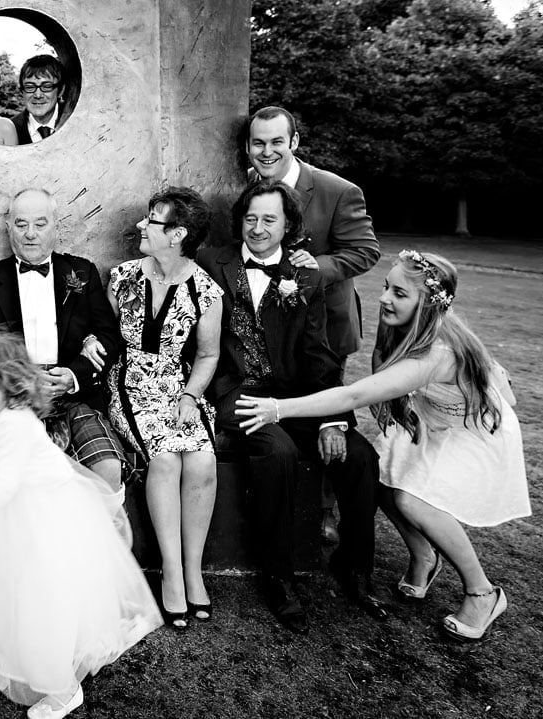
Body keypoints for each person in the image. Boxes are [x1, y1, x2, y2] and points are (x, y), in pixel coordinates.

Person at [237, 250, 530, 642]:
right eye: (387, 287)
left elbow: (353, 395)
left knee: (412, 500)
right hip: (432, 418)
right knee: (386, 479)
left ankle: (483, 593)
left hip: (474, 432)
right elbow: (382, 370)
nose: (385, 298)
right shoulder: (404, 326)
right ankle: (424, 557)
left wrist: (278, 408)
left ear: (427, 303)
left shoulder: (439, 352)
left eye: (399, 293)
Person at [0, 331, 161, 719]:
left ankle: (64, 692)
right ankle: (60, 660)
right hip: (19, 522)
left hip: (46, 522)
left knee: (44, 605)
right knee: (24, 602)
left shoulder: (15, 425)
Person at [195, 182, 384, 634]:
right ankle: (278, 575)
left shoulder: (306, 277)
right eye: (251, 218)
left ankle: (356, 567)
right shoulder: (210, 262)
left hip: (294, 395)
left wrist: (330, 419)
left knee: (360, 456)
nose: (258, 228)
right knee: (276, 452)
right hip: (235, 391)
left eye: (269, 219)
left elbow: (319, 356)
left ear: (288, 226)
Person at [247, 105, 381, 542]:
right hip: (270, 329)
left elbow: (365, 251)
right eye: (258, 143)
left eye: (276, 142)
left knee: (328, 417)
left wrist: (310, 268)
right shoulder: (249, 187)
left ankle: (325, 509)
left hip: (325, 326)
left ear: (295, 142)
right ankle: (289, 497)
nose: (267, 152)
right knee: (286, 416)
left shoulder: (337, 190)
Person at [94, 188, 223, 628]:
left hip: (179, 388)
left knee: (203, 462)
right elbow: (106, 334)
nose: (140, 226)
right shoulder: (122, 276)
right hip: (129, 383)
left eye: (152, 220)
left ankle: (193, 570)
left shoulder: (206, 291)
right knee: (165, 460)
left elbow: (207, 356)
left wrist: (189, 395)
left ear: (178, 234)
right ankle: (171, 570)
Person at [0, 188, 126, 497]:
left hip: (70, 396)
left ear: (57, 226)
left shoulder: (81, 272)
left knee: (108, 468)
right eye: (21, 224)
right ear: (8, 227)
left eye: (40, 224)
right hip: (5, 402)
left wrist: (73, 376)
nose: (30, 234)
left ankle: (93, 546)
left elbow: (110, 337)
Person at [11, 55, 69, 145]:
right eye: (30, 87)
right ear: (22, 92)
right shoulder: (11, 129)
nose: (38, 95)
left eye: (46, 86)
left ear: (61, 90)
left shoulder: (75, 120)